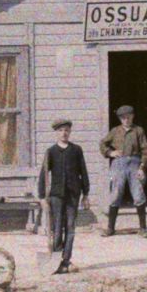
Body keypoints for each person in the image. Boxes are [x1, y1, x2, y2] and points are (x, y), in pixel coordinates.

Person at [37, 117, 90, 274]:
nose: (64, 133)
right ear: (56, 133)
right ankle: (56, 260)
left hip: (73, 195)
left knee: (70, 228)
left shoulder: (76, 150)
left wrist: (86, 194)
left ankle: (66, 260)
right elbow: (43, 175)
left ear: (70, 131)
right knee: (57, 228)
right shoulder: (51, 152)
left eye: (66, 130)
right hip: (56, 196)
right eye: (60, 131)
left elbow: (83, 172)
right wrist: (41, 198)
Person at [99, 103, 147, 236]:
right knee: (116, 193)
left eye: (128, 117)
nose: (126, 120)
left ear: (133, 117)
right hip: (119, 164)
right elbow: (103, 144)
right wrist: (111, 153)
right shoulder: (115, 131)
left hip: (134, 163)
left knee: (138, 193)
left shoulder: (139, 131)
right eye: (123, 118)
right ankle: (110, 228)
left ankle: (143, 228)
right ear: (120, 119)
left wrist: (142, 168)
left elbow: (146, 151)